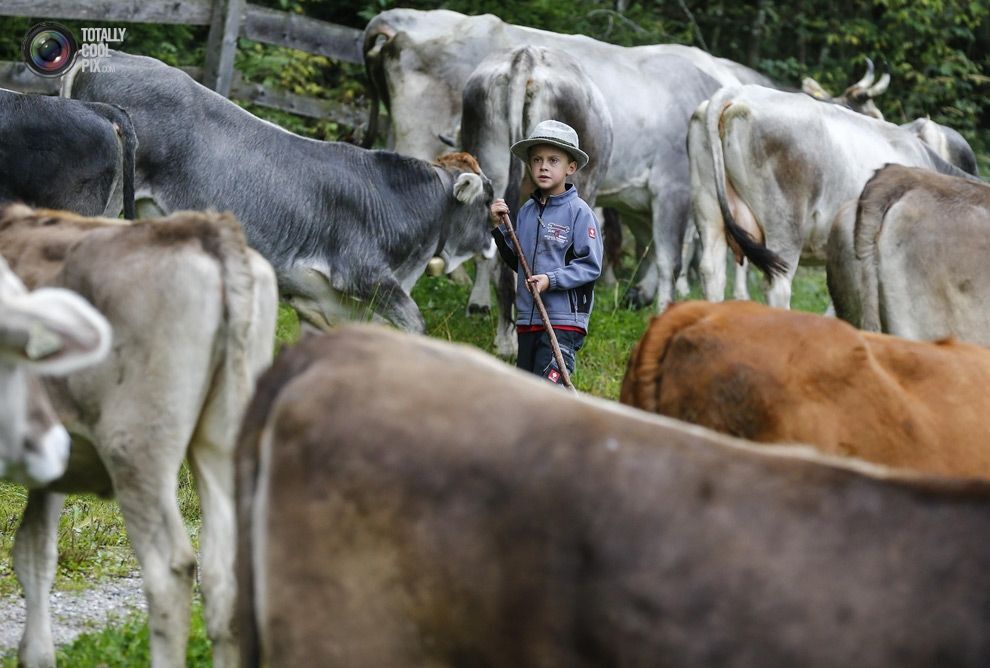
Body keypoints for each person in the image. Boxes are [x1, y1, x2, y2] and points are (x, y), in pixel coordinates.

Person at [490, 119, 604, 385]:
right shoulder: (527, 212)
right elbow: (520, 262)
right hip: (529, 319)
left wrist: (550, 280)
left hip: (562, 321)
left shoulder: (579, 213)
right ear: (529, 165)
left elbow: (590, 266)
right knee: (527, 391)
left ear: (570, 167)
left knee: (550, 390)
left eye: (553, 160)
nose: (543, 166)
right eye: (537, 160)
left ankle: (565, 428)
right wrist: (499, 229)